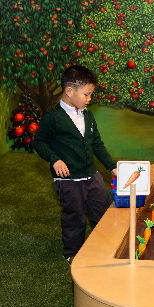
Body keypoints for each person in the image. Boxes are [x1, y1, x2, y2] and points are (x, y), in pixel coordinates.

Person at [33, 65, 118, 265]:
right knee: (75, 217)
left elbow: (97, 144)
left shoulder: (87, 115)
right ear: (69, 91)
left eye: (90, 95)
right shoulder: (53, 117)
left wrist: (111, 167)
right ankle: (73, 253)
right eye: (87, 94)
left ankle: (107, 247)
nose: (90, 99)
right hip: (69, 180)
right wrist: (54, 159)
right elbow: (39, 142)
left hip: (92, 176)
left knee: (104, 212)